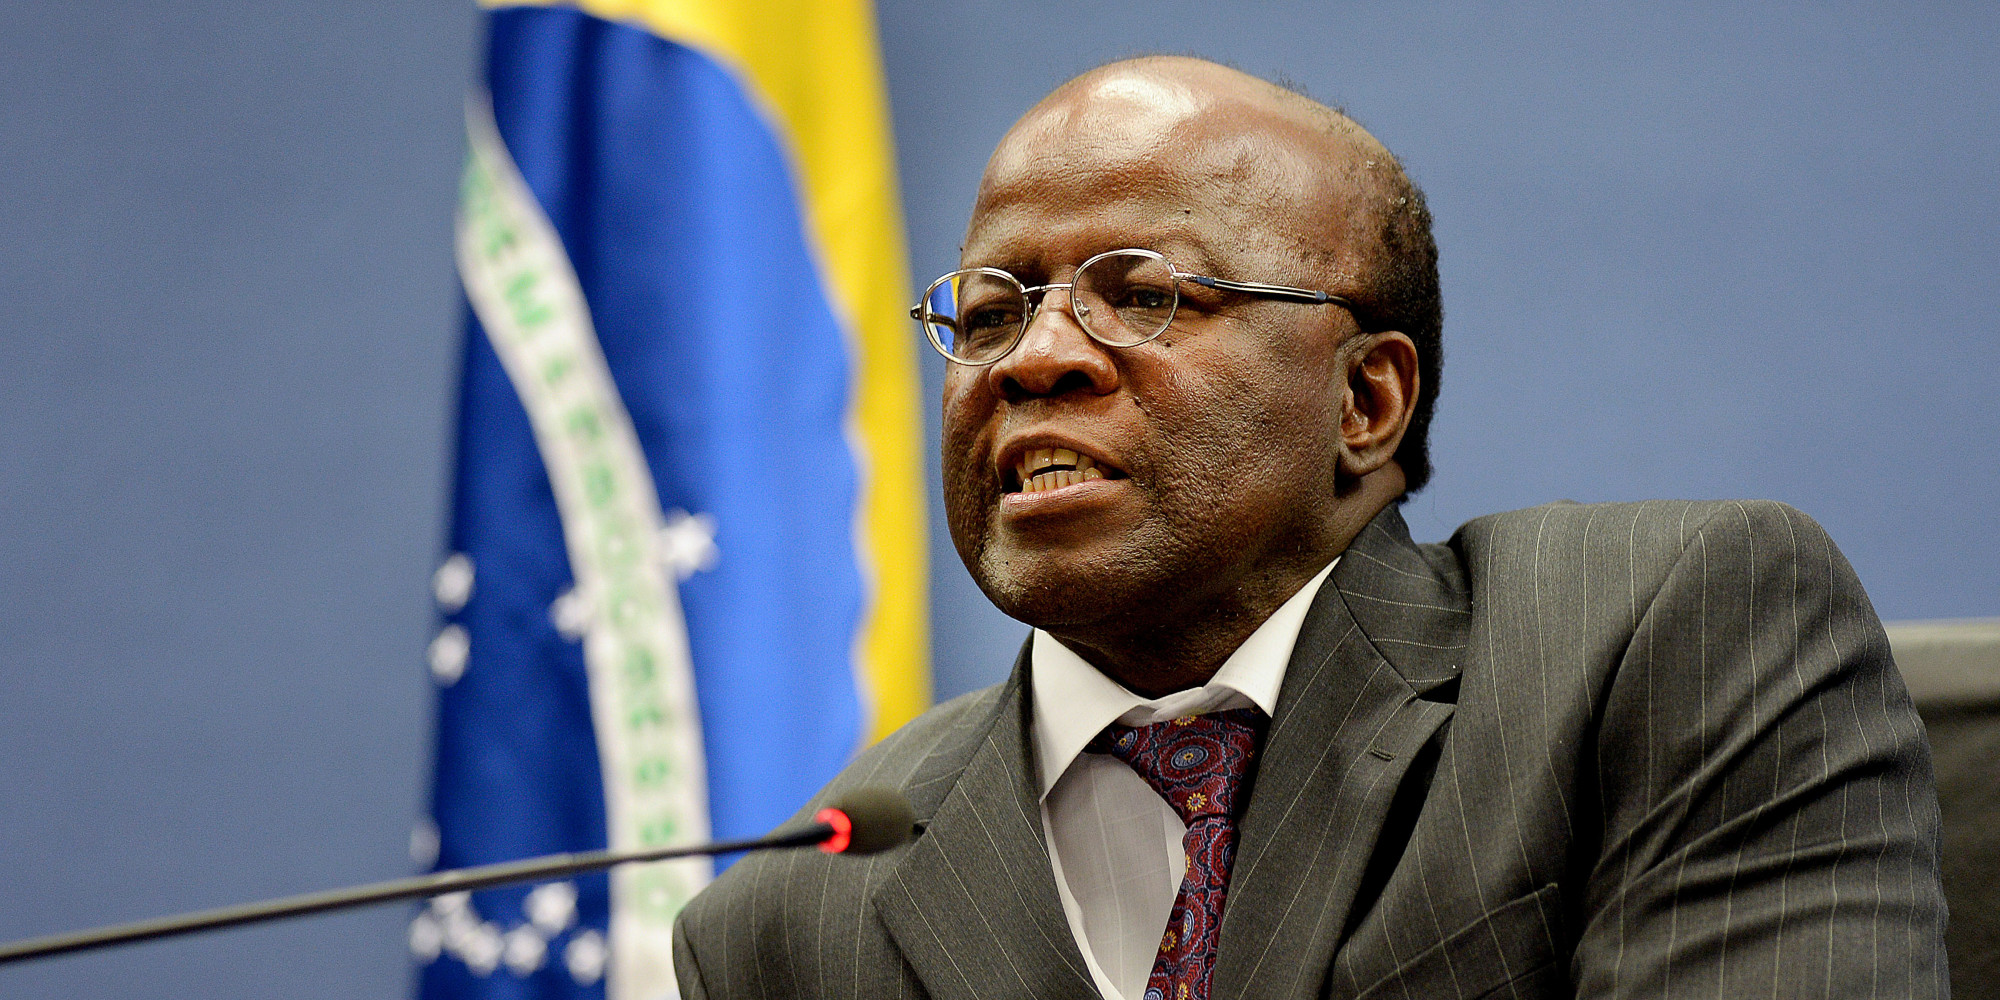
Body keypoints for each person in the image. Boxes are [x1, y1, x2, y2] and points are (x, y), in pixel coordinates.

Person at [672, 56, 1948, 1000]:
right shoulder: (797, 915)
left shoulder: (1655, 640)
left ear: (1363, 398)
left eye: (1143, 293)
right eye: (990, 311)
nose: (1037, 356)